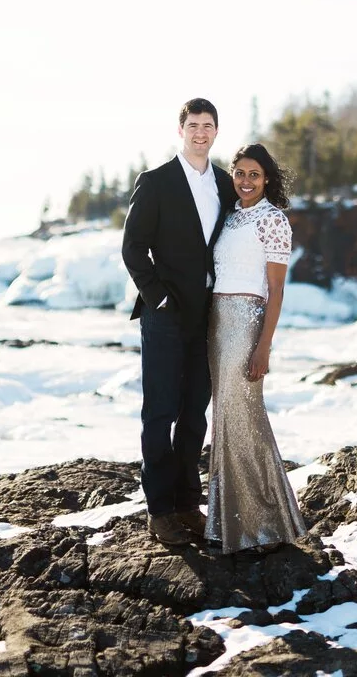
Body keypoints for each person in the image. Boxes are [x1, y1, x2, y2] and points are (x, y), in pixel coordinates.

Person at [122, 98, 236, 547]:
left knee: (194, 412)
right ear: (181, 129)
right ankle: (160, 510)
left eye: (208, 126)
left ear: (216, 131)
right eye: (193, 125)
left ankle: (188, 503)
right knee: (161, 411)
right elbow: (133, 248)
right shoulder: (156, 183)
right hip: (166, 315)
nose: (200, 132)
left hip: (209, 313)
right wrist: (160, 297)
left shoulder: (225, 184)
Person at [206, 142, 306, 554]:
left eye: (255, 175)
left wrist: (264, 347)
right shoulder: (229, 219)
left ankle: (264, 521)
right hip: (216, 322)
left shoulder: (273, 220)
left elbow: (277, 290)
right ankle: (226, 521)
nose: (246, 182)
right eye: (240, 173)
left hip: (247, 324)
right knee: (225, 416)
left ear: (267, 179)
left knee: (244, 414)